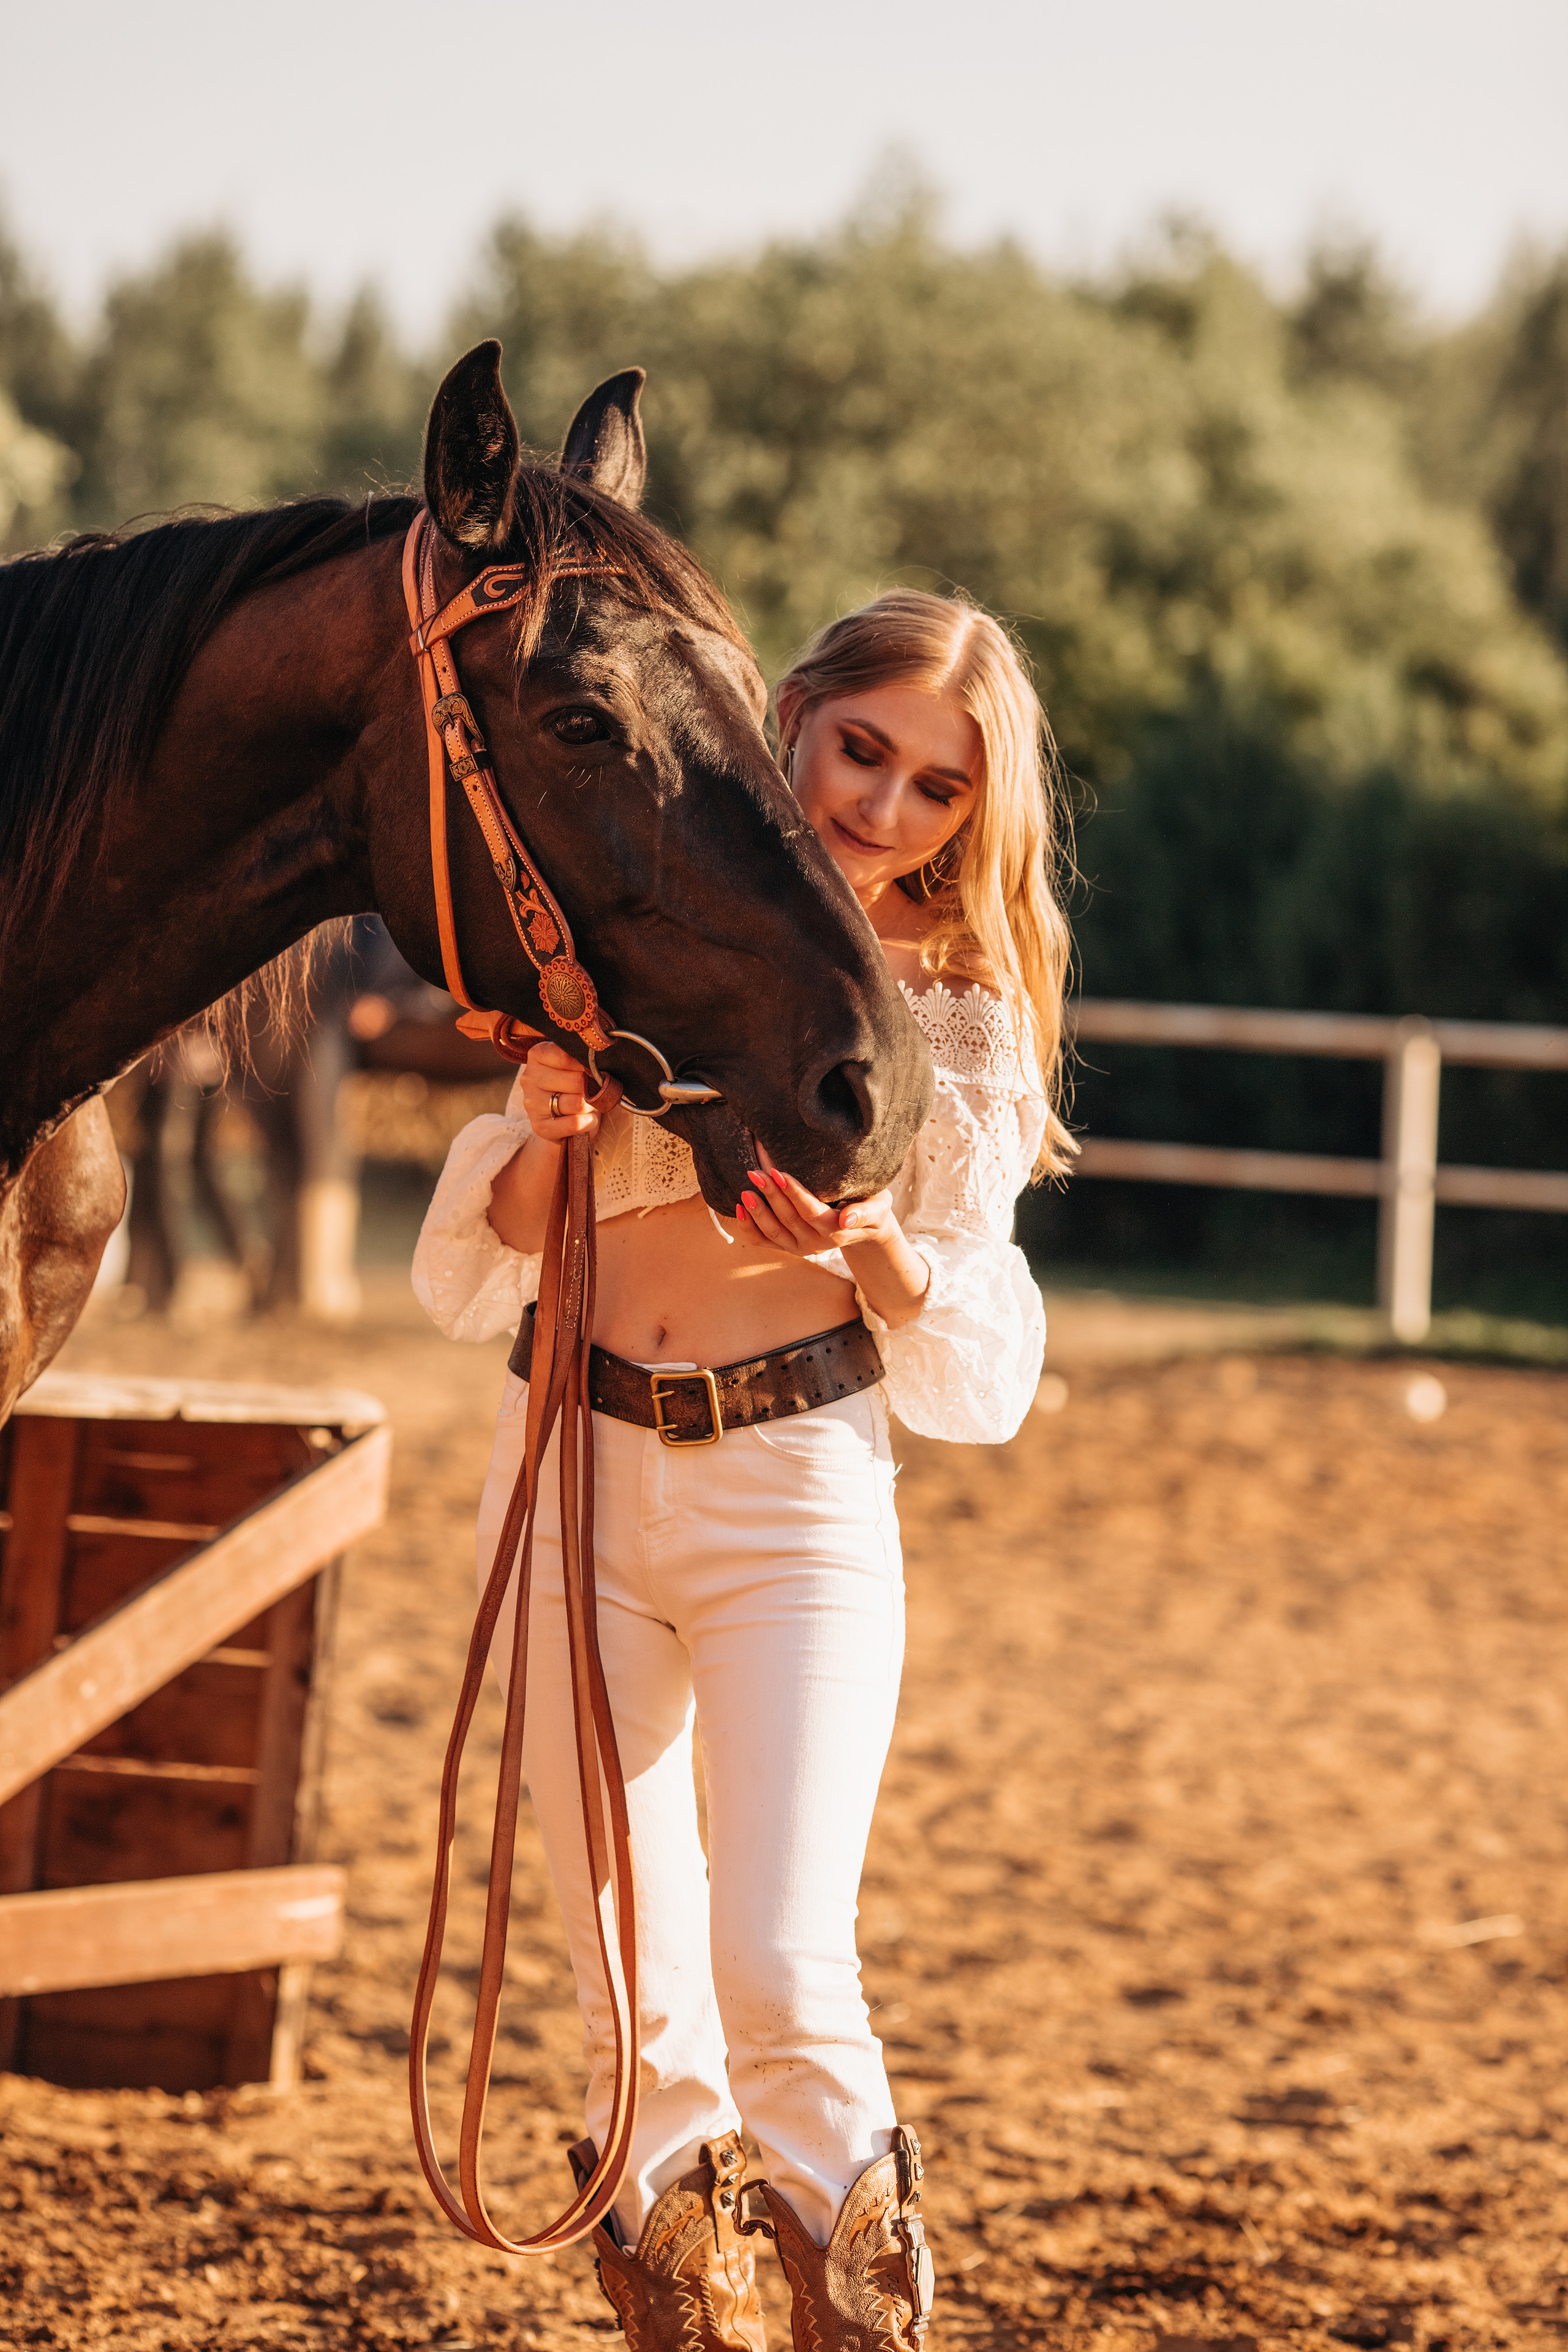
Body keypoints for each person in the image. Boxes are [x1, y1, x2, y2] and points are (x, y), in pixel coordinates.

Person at [412, 588, 1074, 2352]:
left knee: (785, 1963)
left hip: (793, 1491)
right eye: (863, 749)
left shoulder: (953, 1024)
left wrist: (874, 1252)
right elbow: (463, 1267)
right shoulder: (624, 939)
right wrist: (547, 1130)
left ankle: (865, 2315)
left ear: (970, 818)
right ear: (789, 716)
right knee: (629, 1991)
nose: (882, 806)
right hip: (566, 1467)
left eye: (937, 788)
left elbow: (971, 1360)